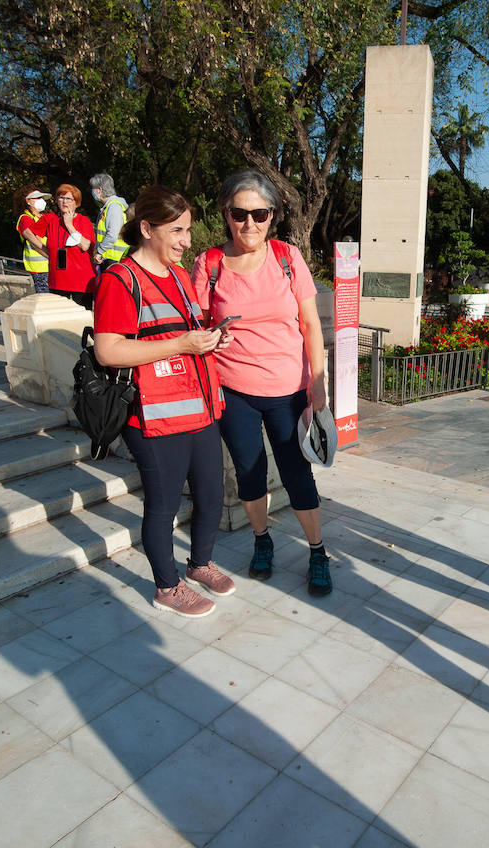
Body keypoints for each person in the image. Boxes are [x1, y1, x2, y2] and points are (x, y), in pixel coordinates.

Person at [190, 169, 333, 597]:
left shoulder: (288, 258)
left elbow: (310, 324)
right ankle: (262, 541)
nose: (249, 223)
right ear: (226, 214)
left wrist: (319, 382)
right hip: (234, 390)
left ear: (272, 215)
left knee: (297, 475)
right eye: (239, 213)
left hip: (288, 391)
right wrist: (213, 335)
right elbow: (196, 325)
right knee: (249, 474)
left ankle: (318, 551)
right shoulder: (209, 264)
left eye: (259, 214)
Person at [93, 185, 233, 617]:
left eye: (188, 230)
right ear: (146, 228)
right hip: (154, 418)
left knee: (211, 495)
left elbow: (184, 331)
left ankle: (199, 563)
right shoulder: (120, 280)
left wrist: (209, 339)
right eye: (177, 231)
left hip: (200, 407)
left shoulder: (178, 275)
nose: (186, 241)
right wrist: (182, 345)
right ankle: (167, 588)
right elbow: (108, 351)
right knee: (163, 506)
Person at [42, 183, 95, 308]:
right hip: (58, 280)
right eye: (61, 198)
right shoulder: (51, 219)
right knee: (58, 316)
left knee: (81, 317)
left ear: (76, 202)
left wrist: (69, 224)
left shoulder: (84, 221)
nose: (64, 202)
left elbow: (85, 245)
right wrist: (46, 251)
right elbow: (28, 232)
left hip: (80, 280)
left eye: (69, 199)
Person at [89, 173, 129, 274]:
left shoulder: (113, 207)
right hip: (109, 257)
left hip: (114, 259)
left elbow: (112, 235)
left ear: (99, 190)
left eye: (93, 188)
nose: (92, 191)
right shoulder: (108, 207)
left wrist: (99, 251)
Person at [15, 186, 51, 293]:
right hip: (39, 268)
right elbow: (36, 243)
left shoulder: (42, 217)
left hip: (49, 266)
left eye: (41, 198)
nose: (41, 200)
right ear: (28, 201)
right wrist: (52, 256)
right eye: (37, 198)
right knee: (44, 297)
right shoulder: (25, 219)